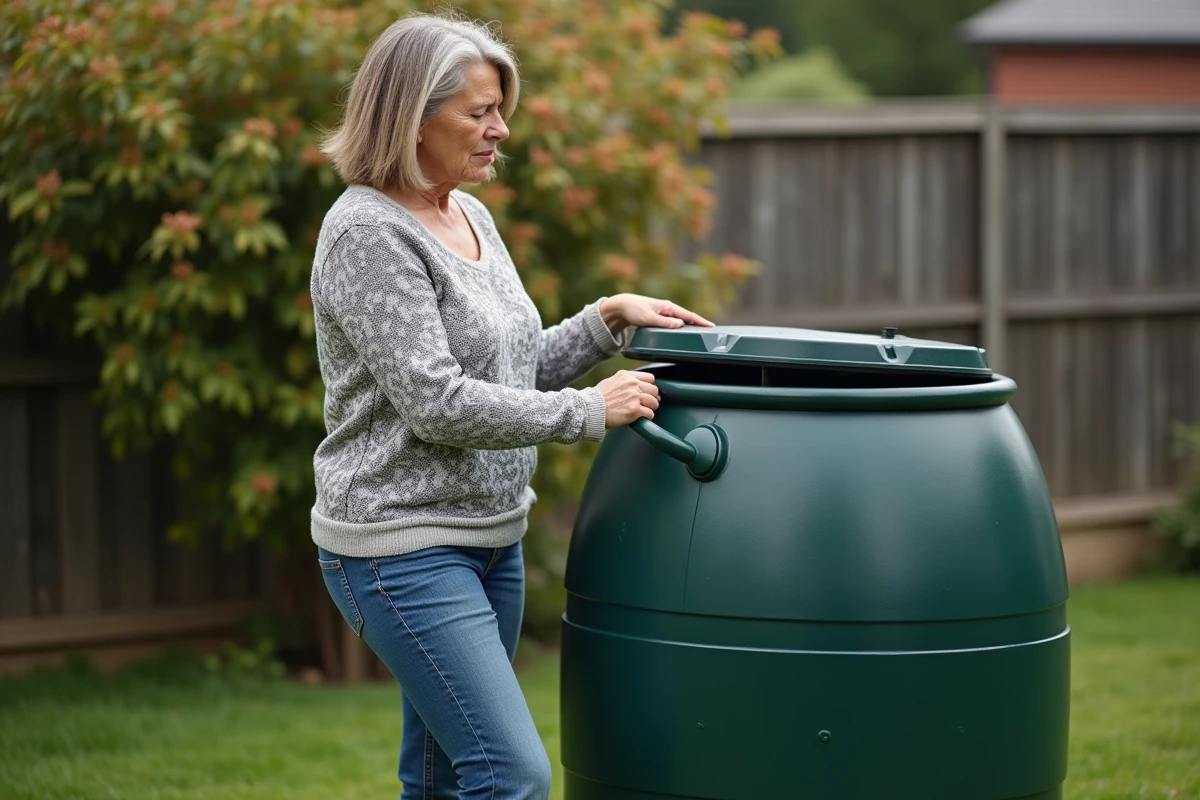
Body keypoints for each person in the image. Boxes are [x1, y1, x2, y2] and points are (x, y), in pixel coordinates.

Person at [309, 12, 714, 800]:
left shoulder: (469, 214)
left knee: (439, 780)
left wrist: (606, 319)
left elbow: (510, 369)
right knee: (511, 776)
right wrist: (588, 413)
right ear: (411, 118)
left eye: (501, 110)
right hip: (402, 550)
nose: (500, 130)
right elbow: (439, 404)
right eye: (478, 112)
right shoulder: (365, 234)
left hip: (492, 543)